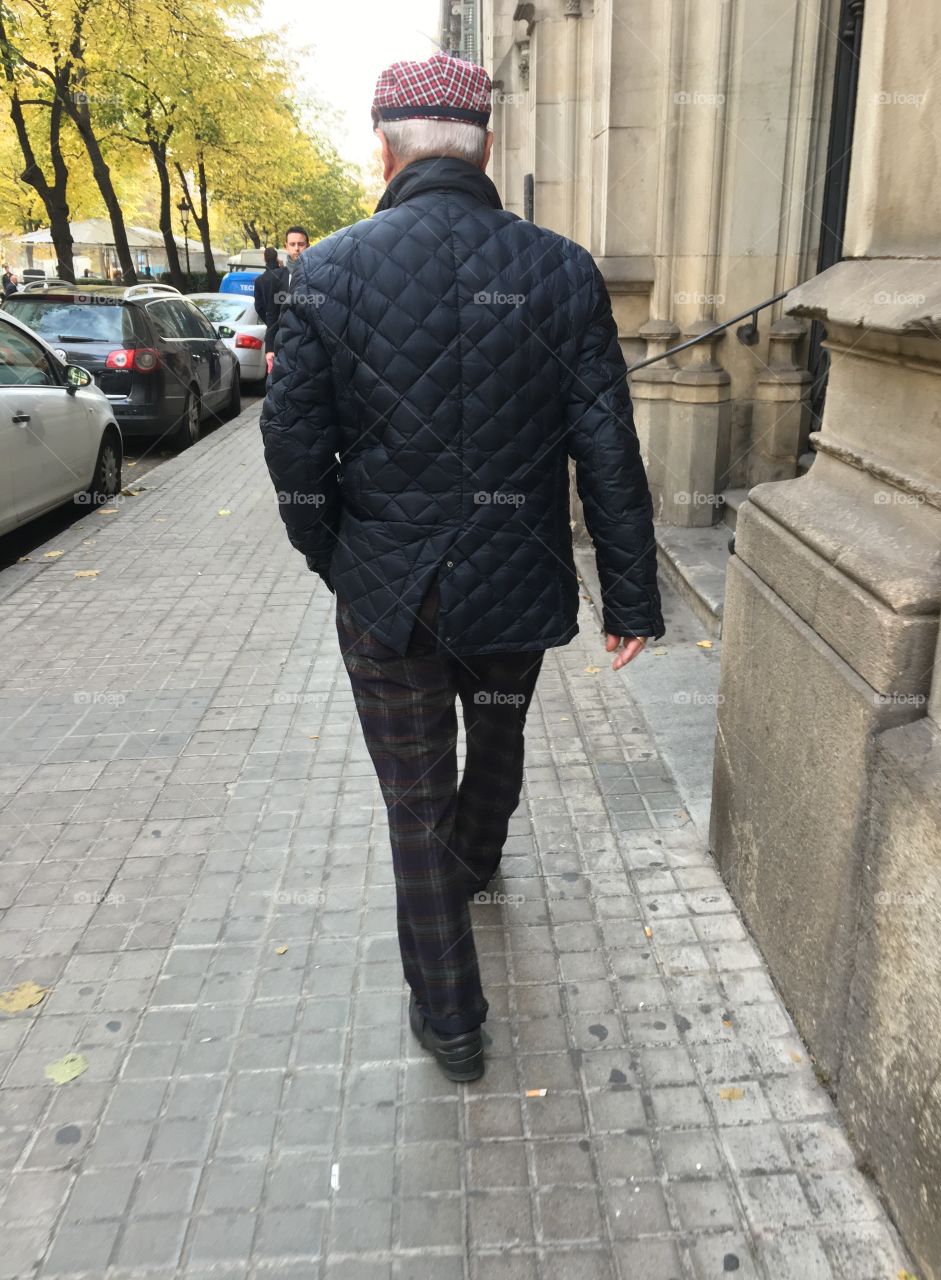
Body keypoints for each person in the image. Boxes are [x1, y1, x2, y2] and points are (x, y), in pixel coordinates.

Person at [260, 52, 663, 1084]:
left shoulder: (327, 273)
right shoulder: (562, 270)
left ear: (385, 147)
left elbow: (294, 451)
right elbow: (606, 444)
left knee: (413, 802)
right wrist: (631, 594)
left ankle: (453, 1019)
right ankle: (478, 856)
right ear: (490, 146)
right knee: (499, 729)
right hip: (516, 583)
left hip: (389, 594)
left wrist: (339, 557)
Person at [264, 226, 309, 373]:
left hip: (309, 344)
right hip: (284, 344)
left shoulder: (316, 273)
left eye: (301, 244)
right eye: (292, 244)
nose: (297, 248)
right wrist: (269, 348)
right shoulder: (278, 276)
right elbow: (271, 313)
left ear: (308, 245)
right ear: (286, 246)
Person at [254, 246, 284, 325]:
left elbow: (259, 307)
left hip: (271, 324)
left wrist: (269, 320)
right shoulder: (284, 275)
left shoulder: (259, 280)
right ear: (277, 258)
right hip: (287, 324)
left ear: (264, 259)